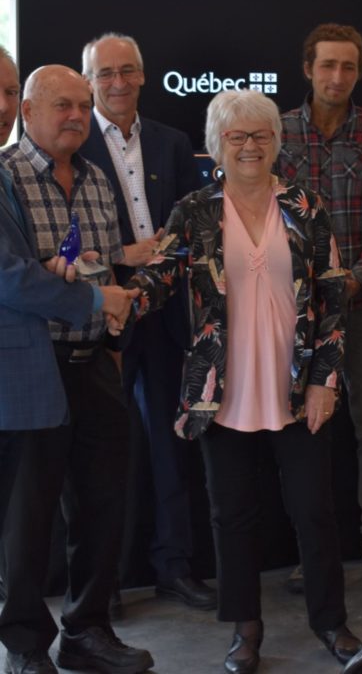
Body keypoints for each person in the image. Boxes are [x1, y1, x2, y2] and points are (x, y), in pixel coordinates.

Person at [127, 89, 362, 672]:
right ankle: (245, 628)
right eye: (237, 136)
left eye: (261, 135)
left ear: (277, 143)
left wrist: (324, 381)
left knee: (315, 510)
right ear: (217, 145)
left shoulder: (306, 207)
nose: (250, 146)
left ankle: (330, 621)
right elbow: (159, 277)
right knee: (230, 516)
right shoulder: (195, 210)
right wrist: (113, 297)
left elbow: (334, 302)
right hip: (222, 390)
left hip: (296, 385)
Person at [0, 64, 153, 674]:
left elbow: (106, 266)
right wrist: (78, 287)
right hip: (35, 366)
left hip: (96, 364)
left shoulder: (96, 178)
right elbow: (15, 279)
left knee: (102, 504)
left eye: (84, 107)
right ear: (30, 112)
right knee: (28, 518)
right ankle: (25, 645)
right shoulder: (6, 176)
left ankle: (88, 631)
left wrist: (112, 321)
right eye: (62, 105)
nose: (76, 117)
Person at [274, 23, 362, 595]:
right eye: (327, 65)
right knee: (308, 426)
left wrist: (358, 281)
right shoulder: (275, 130)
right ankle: (316, 550)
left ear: (358, 71)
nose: (337, 77)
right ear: (308, 67)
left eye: (348, 67)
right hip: (298, 309)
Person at [79, 32, 213, 612]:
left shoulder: (172, 141)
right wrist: (120, 257)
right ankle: (102, 583)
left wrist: (164, 258)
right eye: (105, 72)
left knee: (169, 447)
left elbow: (195, 224)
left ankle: (173, 567)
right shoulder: (70, 140)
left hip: (162, 316)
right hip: (100, 317)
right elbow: (60, 236)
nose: (117, 82)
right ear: (89, 81)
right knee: (102, 457)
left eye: (127, 70)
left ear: (142, 75)